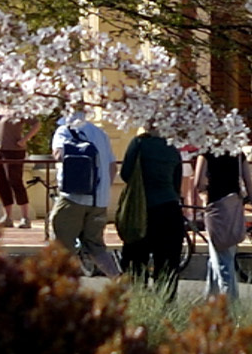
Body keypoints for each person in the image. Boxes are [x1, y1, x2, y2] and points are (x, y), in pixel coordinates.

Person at [116, 124, 187, 290]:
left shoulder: (139, 144)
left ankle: (138, 304)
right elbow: (177, 183)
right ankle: (165, 307)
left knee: (135, 263)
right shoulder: (172, 147)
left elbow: (126, 173)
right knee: (168, 267)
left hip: (141, 210)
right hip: (170, 211)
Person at [50, 106, 117, 276]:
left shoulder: (63, 131)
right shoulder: (101, 134)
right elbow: (112, 167)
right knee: (96, 246)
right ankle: (119, 282)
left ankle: (62, 288)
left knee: (61, 245)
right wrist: (102, 189)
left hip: (73, 197)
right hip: (100, 200)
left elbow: (58, 155)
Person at [196, 144, 252, 304]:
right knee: (218, 257)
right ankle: (209, 300)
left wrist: (204, 193)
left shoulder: (206, 151)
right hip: (233, 208)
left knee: (222, 261)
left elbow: (197, 183)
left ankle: (231, 304)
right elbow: (249, 186)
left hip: (215, 209)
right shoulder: (238, 154)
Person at [0, 111, 30, 226]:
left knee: (14, 181)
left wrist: (24, 139)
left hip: (14, 150)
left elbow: (36, 124)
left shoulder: (19, 109)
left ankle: (25, 217)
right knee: (1, 182)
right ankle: (7, 216)